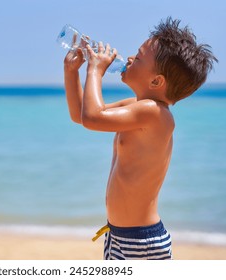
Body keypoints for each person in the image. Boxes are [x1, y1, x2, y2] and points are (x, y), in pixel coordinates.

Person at [63, 17, 217, 260]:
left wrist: (95, 70)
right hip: (118, 236)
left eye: (139, 56)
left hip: (141, 241)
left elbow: (93, 118)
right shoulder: (137, 107)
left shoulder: (155, 115)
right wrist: (71, 72)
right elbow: (81, 115)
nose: (130, 59)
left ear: (156, 81)